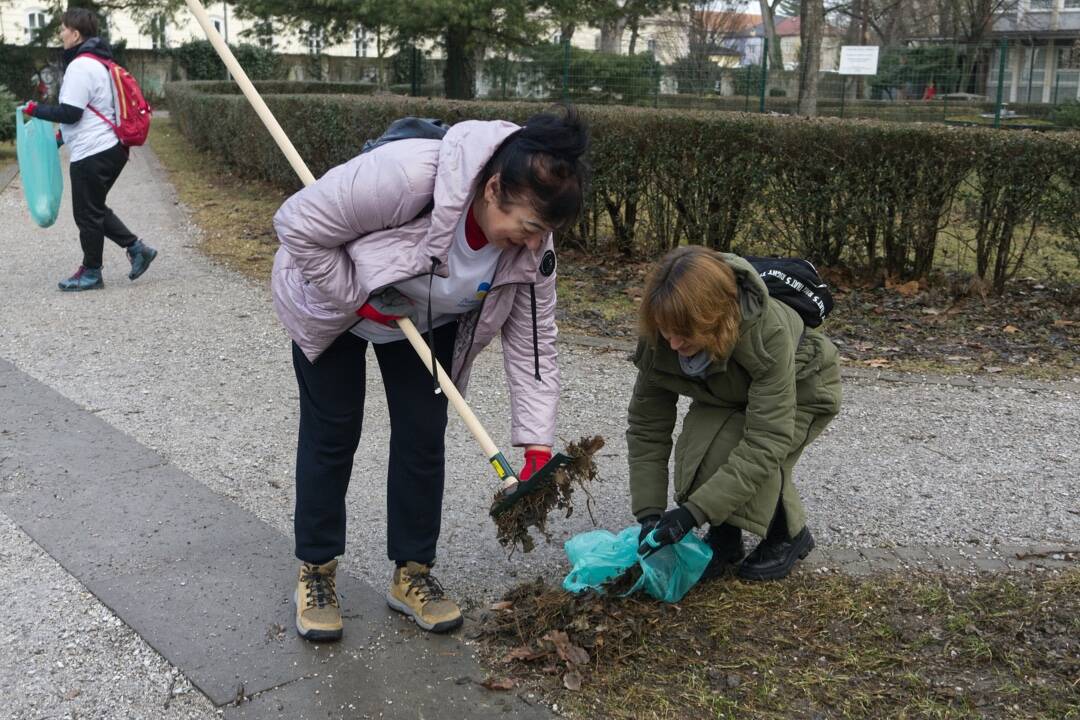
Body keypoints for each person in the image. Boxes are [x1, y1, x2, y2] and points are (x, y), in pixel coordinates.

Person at [271, 109, 589, 639]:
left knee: (423, 436)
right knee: (333, 432)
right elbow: (296, 226)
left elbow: (535, 343)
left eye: (546, 233)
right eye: (529, 227)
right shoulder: (406, 177)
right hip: (334, 305)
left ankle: (412, 572)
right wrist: (355, 298)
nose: (535, 244)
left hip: (423, 319)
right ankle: (317, 569)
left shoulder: (533, 253)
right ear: (492, 188)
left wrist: (536, 445)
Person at [627, 247, 841, 582]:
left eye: (683, 334)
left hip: (805, 387)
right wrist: (650, 515)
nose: (672, 343)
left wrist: (691, 514)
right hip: (730, 391)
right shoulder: (663, 332)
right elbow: (647, 426)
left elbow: (766, 438)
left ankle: (787, 534)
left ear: (716, 319)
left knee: (744, 450)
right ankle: (726, 539)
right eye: (666, 330)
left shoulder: (767, 332)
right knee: (698, 453)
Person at [21, 8, 156, 292]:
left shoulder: (81, 65)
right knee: (93, 208)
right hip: (108, 148)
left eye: (63, 29)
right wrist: (61, 138)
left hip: (94, 152)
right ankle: (136, 249)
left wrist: (35, 109)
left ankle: (92, 271)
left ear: (76, 34)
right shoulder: (100, 62)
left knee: (87, 213)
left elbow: (71, 112)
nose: (60, 34)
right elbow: (93, 111)